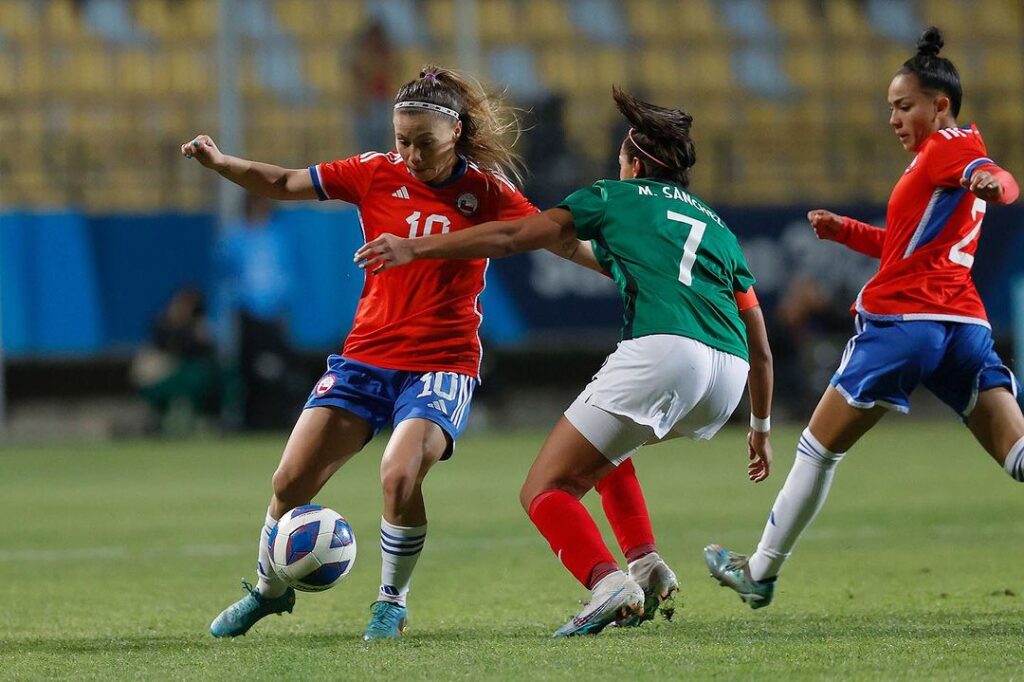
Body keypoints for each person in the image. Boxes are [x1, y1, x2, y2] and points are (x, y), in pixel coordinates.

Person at [182, 66, 585, 641]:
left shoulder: (486, 191)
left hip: (441, 362)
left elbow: (557, 239)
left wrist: (622, 269)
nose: (413, 154)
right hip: (365, 357)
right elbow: (286, 182)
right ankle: (269, 590)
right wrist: (223, 165)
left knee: (398, 475)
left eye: (425, 142)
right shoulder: (375, 173)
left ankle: (391, 602)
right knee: (289, 483)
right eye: (403, 140)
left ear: (457, 134)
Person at [355, 86, 775, 636]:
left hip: (666, 352)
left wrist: (415, 248)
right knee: (604, 453)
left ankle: (606, 583)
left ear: (631, 163)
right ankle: (646, 566)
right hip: (730, 377)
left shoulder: (612, 196)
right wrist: (760, 426)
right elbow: (762, 344)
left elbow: (509, 237)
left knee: (545, 489)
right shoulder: (717, 228)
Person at [701, 26, 1022, 609]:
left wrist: (990, 181)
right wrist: (846, 231)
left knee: (818, 450)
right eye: (890, 109)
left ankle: (761, 571)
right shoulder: (940, 158)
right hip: (964, 328)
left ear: (939, 104)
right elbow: (906, 245)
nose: (894, 119)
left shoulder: (950, 147)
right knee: (1017, 455)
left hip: (903, 326)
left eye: (904, 106)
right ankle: (760, 570)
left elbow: (1000, 179)